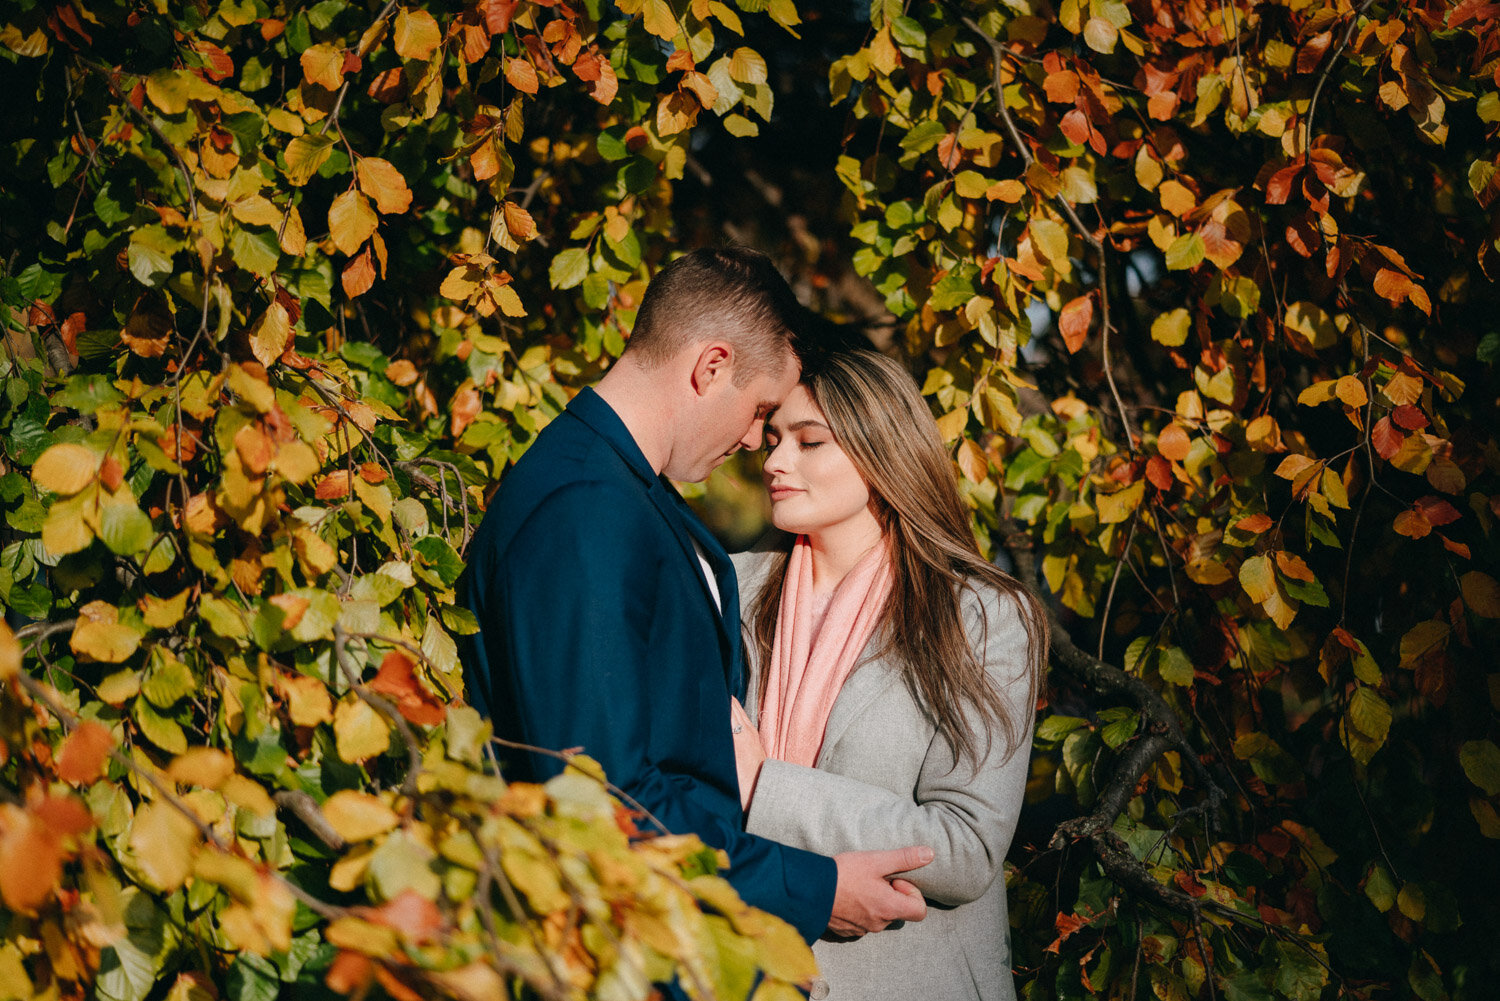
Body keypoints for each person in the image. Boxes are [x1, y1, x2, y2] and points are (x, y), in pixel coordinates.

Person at [459, 247, 932, 953]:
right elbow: (601, 800)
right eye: (761, 409)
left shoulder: (635, 500)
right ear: (711, 367)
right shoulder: (585, 509)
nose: (752, 441)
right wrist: (812, 888)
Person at [730, 349, 1049, 1001]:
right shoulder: (725, 587)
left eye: (808, 440)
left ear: (882, 452)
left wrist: (768, 785)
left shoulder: (979, 618)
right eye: (772, 440)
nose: (773, 462)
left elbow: (964, 847)